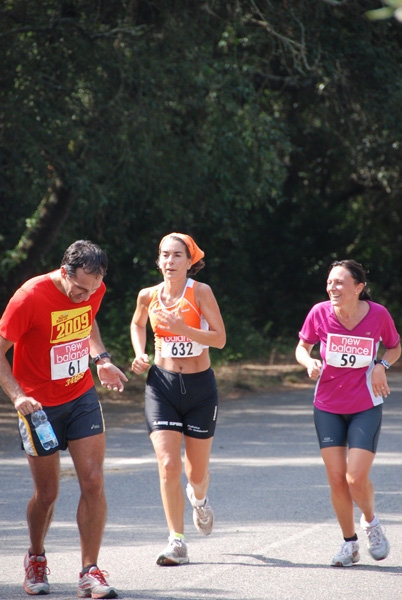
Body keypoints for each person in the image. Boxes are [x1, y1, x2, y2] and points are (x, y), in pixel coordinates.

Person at [0, 240, 128, 598]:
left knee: (93, 481)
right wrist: (18, 396)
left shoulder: (93, 288)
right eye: (79, 289)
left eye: (92, 289)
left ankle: (90, 571)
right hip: (37, 408)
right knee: (48, 493)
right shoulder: (29, 297)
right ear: (63, 271)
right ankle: (36, 556)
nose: (85, 296)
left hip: (80, 396)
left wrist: (101, 359)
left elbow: (87, 322)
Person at [295, 259, 401, 567]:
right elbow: (302, 347)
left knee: (356, 477)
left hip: (365, 406)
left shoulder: (378, 315)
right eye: (329, 282)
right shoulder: (319, 313)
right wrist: (308, 362)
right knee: (336, 479)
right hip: (327, 406)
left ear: (359, 287)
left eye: (340, 282)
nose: (332, 287)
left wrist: (382, 365)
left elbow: (394, 346)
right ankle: (349, 544)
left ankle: (371, 523)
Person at [130, 233, 226, 565]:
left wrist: (184, 329)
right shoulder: (148, 295)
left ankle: (199, 499)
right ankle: (177, 540)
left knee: (195, 474)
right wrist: (140, 353)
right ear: (158, 261)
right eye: (164, 255)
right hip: (162, 385)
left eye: (176, 255)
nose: (169, 261)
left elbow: (220, 338)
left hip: (200, 388)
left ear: (189, 261)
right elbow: (137, 324)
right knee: (168, 464)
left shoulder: (200, 292)